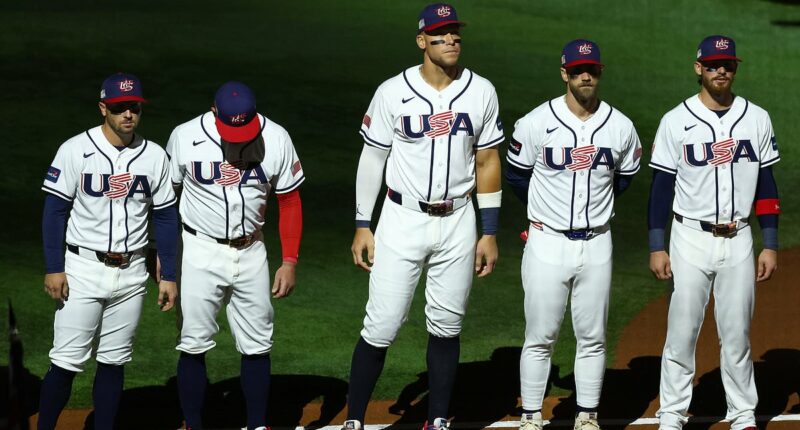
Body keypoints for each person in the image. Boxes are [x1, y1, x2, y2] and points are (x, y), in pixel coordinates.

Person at [344, 3, 504, 430]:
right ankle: (355, 419)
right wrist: (364, 223)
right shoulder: (391, 91)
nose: (451, 40)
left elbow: (488, 161)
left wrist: (488, 231)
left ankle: (437, 420)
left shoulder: (481, 91)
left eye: (455, 33)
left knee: (447, 324)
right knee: (382, 323)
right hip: (401, 219)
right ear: (422, 41)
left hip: (458, 221)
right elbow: (372, 160)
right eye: (440, 34)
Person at [505, 39, 642, 430]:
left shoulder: (620, 126)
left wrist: (594, 208)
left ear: (600, 73)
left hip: (598, 242)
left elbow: (625, 178)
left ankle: (586, 415)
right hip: (547, 241)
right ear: (564, 73)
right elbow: (517, 175)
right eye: (579, 70)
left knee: (593, 335)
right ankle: (531, 416)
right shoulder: (535, 123)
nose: (586, 76)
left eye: (593, 69)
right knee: (540, 335)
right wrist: (542, 212)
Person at [648, 35, 780, 430]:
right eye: (713, 64)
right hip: (689, 237)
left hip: (739, 238)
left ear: (735, 68)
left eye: (728, 64)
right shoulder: (676, 120)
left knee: (737, 333)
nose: (721, 70)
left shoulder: (756, 118)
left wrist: (769, 242)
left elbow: (767, 185)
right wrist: (658, 244)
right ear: (698, 68)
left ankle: (742, 413)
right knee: (682, 331)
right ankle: (672, 413)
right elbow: (660, 189)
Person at [38, 72, 179, 429]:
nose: (127, 115)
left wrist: (170, 275)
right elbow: (54, 212)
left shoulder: (156, 157)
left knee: (114, 361)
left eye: (133, 107)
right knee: (66, 361)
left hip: (131, 274)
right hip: (82, 269)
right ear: (104, 108)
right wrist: (54, 267)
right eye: (119, 108)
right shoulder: (75, 149)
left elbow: (164, 217)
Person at [167, 81, 305, 430]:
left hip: (252, 250)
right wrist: (165, 257)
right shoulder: (184, 137)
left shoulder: (275, 137)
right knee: (194, 342)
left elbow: (289, 200)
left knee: (258, 342)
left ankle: (257, 423)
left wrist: (289, 261)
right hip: (199, 250)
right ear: (214, 112)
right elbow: (166, 203)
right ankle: (193, 423)